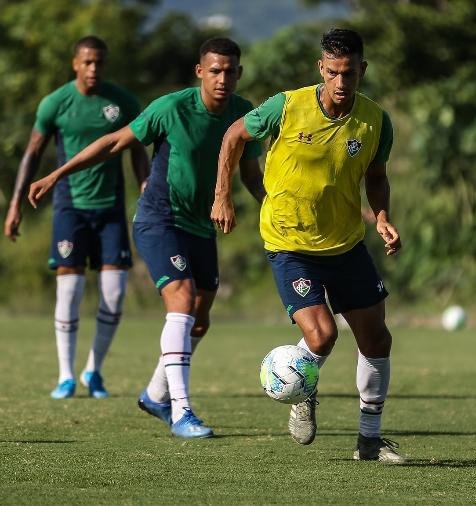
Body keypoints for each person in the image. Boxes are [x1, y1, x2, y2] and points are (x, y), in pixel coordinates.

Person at [29, 37, 264, 439]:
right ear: (200, 72)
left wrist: (273, 209)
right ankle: (181, 412)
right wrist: (56, 173)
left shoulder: (244, 115)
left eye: (229, 71)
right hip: (159, 220)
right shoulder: (170, 108)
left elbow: (249, 174)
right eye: (214, 71)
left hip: (201, 227)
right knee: (183, 299)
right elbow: (113, 143)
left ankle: (156, 394)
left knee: (200, 321)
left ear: (239, 73)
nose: (222, 78)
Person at [211, 28, 403, 462]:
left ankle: (369, 442)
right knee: (323, 335)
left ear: (362, 70)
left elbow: (376, 176)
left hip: (346, 245)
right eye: (333, 72)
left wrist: (383, 216)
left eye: (349, 73)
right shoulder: (286, 105)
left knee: (377, 339)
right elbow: (233, 137)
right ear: (321, 68)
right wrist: (222, 195)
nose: (341, 82)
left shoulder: (376, 121)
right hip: (289, 243)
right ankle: (300, 387)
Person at [4, 36, 147, 399]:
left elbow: (137, 150)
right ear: (75, 64)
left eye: (99, 62)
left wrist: (146, 186)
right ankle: (65, 376)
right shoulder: (55, 103)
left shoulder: (123, 102)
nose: (93, 68)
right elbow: (32, 155)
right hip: (70, 208)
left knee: (113, 295)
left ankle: (93, 372)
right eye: (87, 62)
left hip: (111, 208)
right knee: (70, 291)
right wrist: (16, 205)